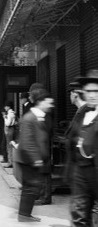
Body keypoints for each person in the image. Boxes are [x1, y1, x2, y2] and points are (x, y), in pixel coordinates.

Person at [65, 69, 98, 227]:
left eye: (96, 91)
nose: (92, 95)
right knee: (79, 215)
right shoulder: (82, 113)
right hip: (80, 171)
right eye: (89, 91)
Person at [16, 87, 54, 222]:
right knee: (30, 187)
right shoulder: (30, 118)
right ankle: (24, 215)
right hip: (29, 160)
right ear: (40, 102)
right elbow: (27, 142)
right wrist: (36, 159)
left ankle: (25, 214)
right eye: (49, 102)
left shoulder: (39, 117)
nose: (51, 105)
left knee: (31, 187)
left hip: (32, 159)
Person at [2, 101, 17, 168]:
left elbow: (8, 123)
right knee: (10, 145)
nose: (5, 107)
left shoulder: (10, 113)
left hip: (9, 129)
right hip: (12, 129)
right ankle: (11, 161)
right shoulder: (12, 113)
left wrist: (5, 117)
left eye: (5, 106)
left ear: (8, 106)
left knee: (9, 146)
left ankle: (10, 162)